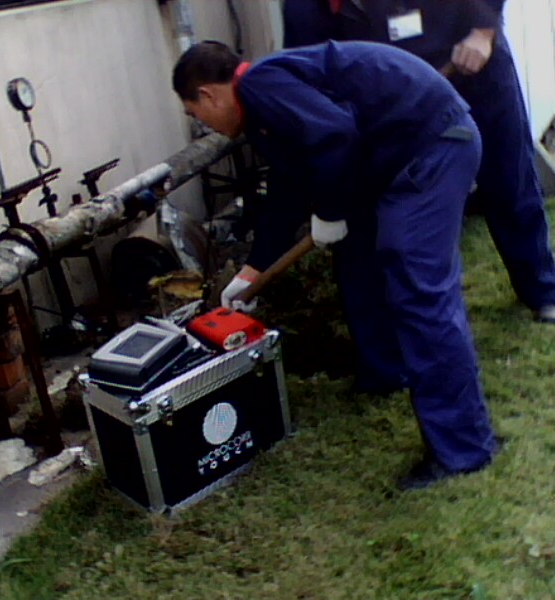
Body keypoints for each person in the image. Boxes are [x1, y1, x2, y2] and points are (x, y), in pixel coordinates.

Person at [172, 40, 499, 489]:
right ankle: (424, 402)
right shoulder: (266, 105)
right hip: (419, 152)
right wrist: (253, 270)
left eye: (195, 114)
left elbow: (336, 134)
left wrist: (329, 211)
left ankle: (464, 451)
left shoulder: (262, 84)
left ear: (208, 94)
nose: (203, 124)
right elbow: (288, 188)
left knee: (421, 294)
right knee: (398, 281)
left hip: (432, 149)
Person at [283, 0, 555, 328]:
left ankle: (542, 291)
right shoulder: (308, 7)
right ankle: (389, 329)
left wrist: (483, 31)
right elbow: (312, 64)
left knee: (508, 179)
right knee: (373, 209)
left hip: (468, 60)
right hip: (393, 96)